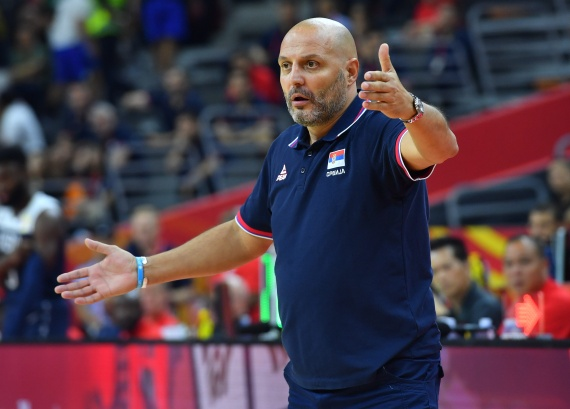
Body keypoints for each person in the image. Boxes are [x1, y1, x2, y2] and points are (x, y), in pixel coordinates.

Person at [56, 18, 458, 408]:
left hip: (390, 383)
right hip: (309, 386)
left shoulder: (382, 129)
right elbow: (242, 237)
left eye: (311, 64)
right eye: (285, 66)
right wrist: (143, 269)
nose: (295, 78)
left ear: (351, 71)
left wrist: (411, 109)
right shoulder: (284, 148)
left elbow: (441, 148)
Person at [0, 146, 69, 340]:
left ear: (24, 173)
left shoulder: (46, 212)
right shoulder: (2, 212)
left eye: (6, 178)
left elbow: (43, 268)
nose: (2, 186)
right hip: (12, 301)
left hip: (44, 306)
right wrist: (12, 259)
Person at [501, 234, 570, 339]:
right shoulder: (522, 299)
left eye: (524, 262)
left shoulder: (559, 302)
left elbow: (523, 348)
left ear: (544, 265)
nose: (516, 271)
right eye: (509, 264)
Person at [430, 236, 503, 331]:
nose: (441, 277)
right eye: (434, 271)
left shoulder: (487, 307)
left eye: (447, 267)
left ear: (466, 266)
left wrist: (443, 317)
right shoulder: (455, 309)